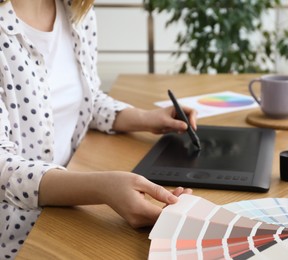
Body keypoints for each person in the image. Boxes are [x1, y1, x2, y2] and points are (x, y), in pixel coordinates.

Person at [0, 0, 195, 258]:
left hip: (69, 205)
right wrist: (101, 188)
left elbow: (86, 100)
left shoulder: (77, 11)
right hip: (17, 233)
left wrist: (145, 118)